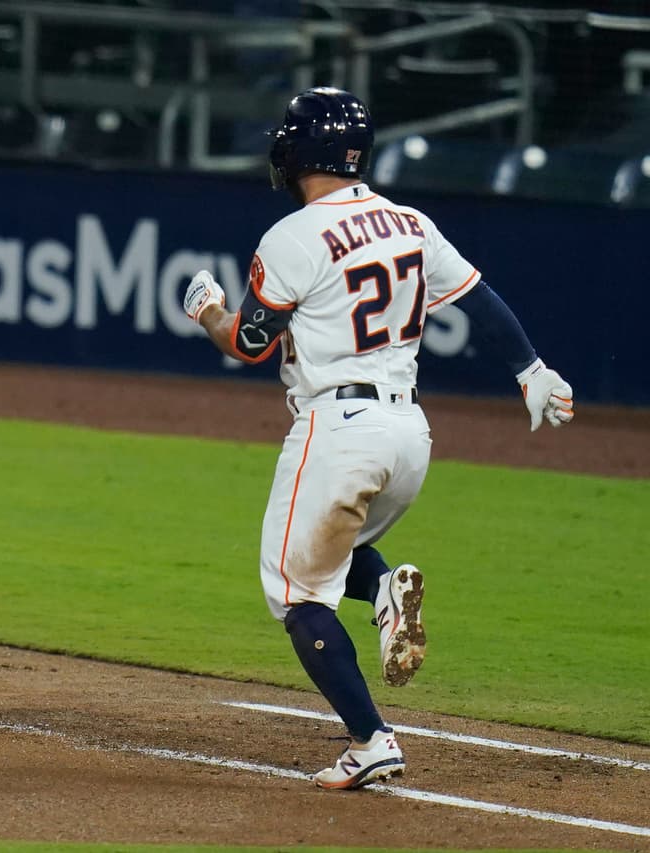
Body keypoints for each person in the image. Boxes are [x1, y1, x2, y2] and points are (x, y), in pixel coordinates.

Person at [182, 87, 574, 789]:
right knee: (346, 546)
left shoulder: (292, 235)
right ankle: (388, 590)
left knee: (298, 593)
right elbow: (480, 300)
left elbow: (246, 341)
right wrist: (533, 370)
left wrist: (207, 309)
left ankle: (370, 738)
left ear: (299, 152)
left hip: (337, 427)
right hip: (410, 434)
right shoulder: (409, 222)